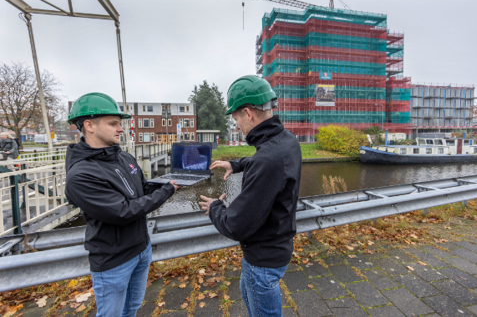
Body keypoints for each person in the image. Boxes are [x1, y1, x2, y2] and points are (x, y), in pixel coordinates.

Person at [65, 92, 181, 317]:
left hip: (141, 249)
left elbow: (142, 190)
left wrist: (170, 182)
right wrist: (168, 191)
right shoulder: (81, 175)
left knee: (132, 309)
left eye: (120, 124)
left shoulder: (124, 157)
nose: (121, 129)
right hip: (113, 261)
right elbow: (123, 211)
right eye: (113, 123)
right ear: (89, 125)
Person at [199, 75, 302, 317]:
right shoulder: (286, 140)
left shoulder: (267, 160)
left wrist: (215, 207)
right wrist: (236, 165)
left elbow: (236, 225)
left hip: (263, 258)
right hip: (275, 246)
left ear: (248, 113)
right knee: (247, 293)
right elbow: (264, 161)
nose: (236, 126)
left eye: (236, 119)